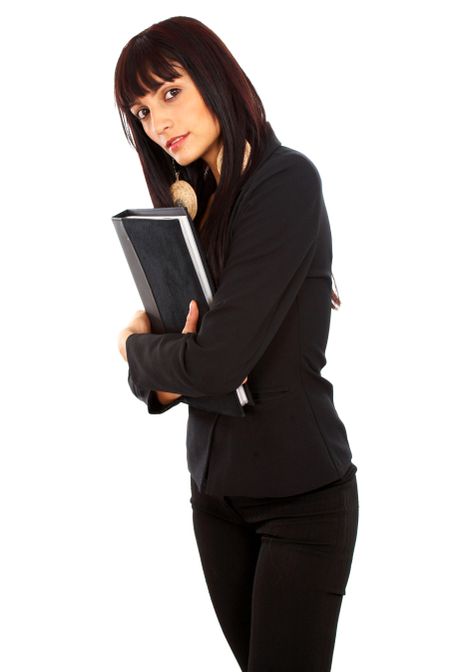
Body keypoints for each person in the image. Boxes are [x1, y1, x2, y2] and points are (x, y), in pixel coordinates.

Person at [114, 16, 359, 671]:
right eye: (141, 110)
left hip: (299, 501)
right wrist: (169, 368)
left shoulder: (285, 185)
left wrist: (137, 349)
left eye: (169, 92)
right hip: (214, 499)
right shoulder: (193, 206)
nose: (157, 120)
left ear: (215, 77)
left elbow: (215, 361)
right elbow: (174, 381)